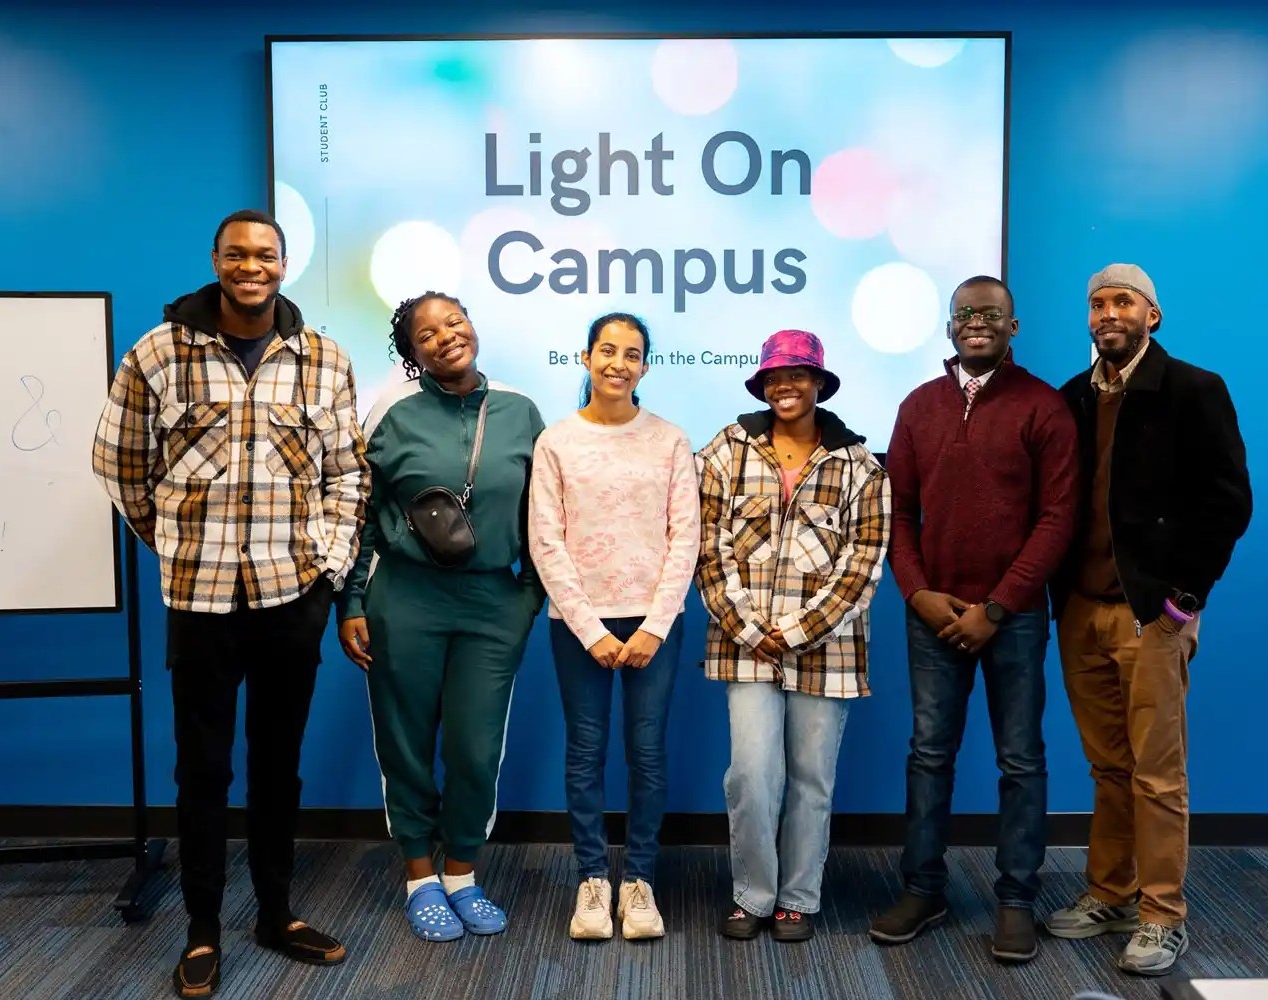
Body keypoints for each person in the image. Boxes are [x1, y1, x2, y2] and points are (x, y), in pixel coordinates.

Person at [91, 208, 369, 998]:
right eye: (238, 254)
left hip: (292, 595)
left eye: (266, 255)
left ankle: (277, 913)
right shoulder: (159, 352)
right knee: (203, 770)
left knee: (279, 767)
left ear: (284, 264)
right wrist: (172, 540)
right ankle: (203, 928)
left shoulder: (323, 359)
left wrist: (327, 563)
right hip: (201, 598)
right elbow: (119, 462)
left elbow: (349, 473)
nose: (253, 267)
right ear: (216, 260)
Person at [1044, 264, 1252, 976]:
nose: (1109, 313)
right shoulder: (1073, 397)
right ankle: (1111, 893)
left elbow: (1228, 503)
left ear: (1151, 315)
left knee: (1158, 774)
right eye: (1098, 303)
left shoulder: (1194, 389)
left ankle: (1162, 915)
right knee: (1108, 767)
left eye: (1123, 301)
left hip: (1151, 617)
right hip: (1081, 609)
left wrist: (1183, 600)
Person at [869, 277, 1080, 962]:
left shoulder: (1043, 406)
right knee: (929, 755)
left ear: (1013, 327)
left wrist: (998, 606)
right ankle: (923, 889)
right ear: (950, 327)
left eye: (991, 313)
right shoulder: (918, 406)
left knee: (1021, 759)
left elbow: (1057, 519)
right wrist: (918, 593)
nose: (977, 322)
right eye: (965, 313)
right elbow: (898, 513)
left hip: (1012, 617)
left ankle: (1016, 899)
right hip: (932, 613)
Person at [335, 291, 546, 944]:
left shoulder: (520, 410)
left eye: (454, 322)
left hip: (492, 605)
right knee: (404, 742)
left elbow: (546, 515)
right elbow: (362, 515)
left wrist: (528, 596)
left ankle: (462, 873)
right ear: (411, 353)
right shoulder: (390, 412)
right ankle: (420, 877)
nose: (445, 336)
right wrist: (352, 602)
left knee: (475, 748)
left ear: (471, 326)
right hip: (405, 599)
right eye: (426, 334)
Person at [694, 329, 891, 943]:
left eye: (798, 375)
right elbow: (706, 550)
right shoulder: (725, 452)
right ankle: (752, 895)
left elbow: (863, 564)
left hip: (827, 651)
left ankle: (798, 899)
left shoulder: (860, 466)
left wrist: (798, 632)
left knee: (811, 780)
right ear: (762, 385)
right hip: (745, 646)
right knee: (751, 775)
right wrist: (754, 630)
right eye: (775, 377)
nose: (785, 386)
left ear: (819, 384)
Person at [528, 312, 700, 941]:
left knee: (647, 751)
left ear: (645, 367)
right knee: (586, 750)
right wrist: (590, 629)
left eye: (631, 354)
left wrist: (656, 624)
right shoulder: (556, 442)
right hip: (580, 623)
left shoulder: (670, 440)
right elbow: (545, 541)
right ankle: (593, 880)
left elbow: (686, 537)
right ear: (586, 358)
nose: (618, 364)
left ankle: (640, 881)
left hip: (656, 622)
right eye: (607, 350)